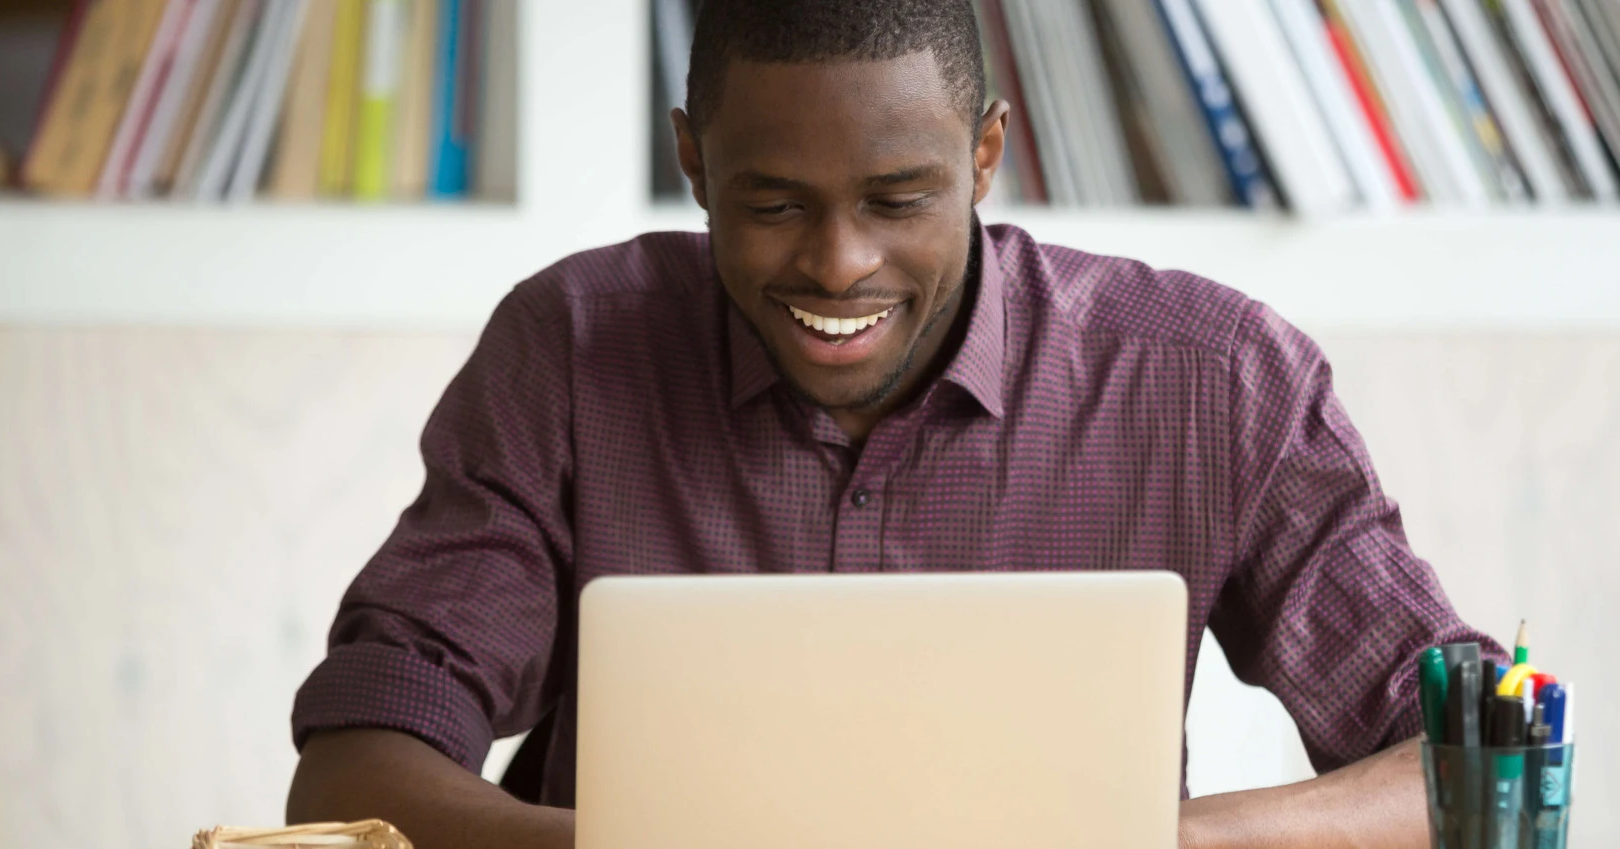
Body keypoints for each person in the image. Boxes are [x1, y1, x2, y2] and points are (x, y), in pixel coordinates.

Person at [285, 1, 1503, 846]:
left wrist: (1131, 844)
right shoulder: (569, 350)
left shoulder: (1210, 379)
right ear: (693, 163)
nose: (837, 263)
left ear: (983, 156)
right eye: (770, 203)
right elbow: (354, 769)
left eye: (898, 198)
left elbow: (1490, 766)